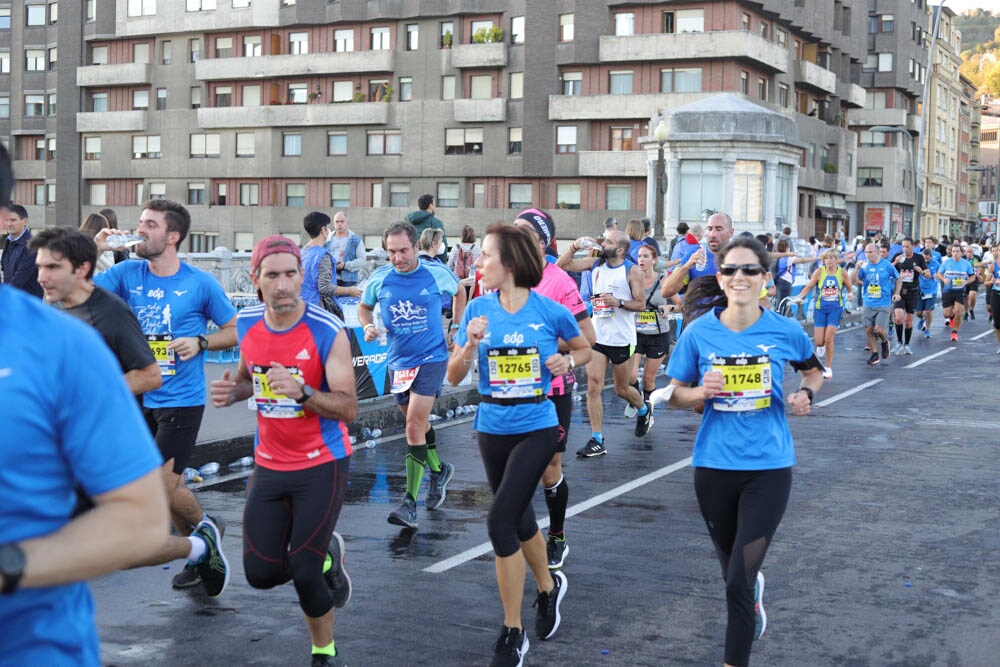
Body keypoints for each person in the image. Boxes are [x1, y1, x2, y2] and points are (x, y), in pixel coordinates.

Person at [0, 140, 169, 664]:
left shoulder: (70, 342)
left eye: (57, 267)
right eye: (42, 267)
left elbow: (138, 522)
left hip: (31, 646)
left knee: (173, 489)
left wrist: (11, 567)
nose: (47, 277)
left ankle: (200, 541)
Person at [662, 236, 824, 667]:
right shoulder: (699, 333)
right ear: (720, 277)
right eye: (731, 270)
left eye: (750, 270)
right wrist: (700, 390)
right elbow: (674, 397)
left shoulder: (785, 330)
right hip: (713, 467)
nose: (739, 277)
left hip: (768, 468)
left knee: (737, 580)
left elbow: (813, 372)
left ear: (765, 279)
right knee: (732, 575)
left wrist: (806, 393)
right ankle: (750, 598)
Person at [210, 236, 357, 667]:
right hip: (270, 463)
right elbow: (247, 377)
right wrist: (231, 392)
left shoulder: (327, 329)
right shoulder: (247, 324)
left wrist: (305, 392)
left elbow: (348, 407)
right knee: (259, 575)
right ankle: (330, 552)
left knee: (304, 569)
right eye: (272, 275)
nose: (283, 285)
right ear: (255, 280)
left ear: (301, 276)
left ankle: (324, 653)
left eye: (291, 274)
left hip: (321, 462)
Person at [446, 223, 589, 667]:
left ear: (508, 263)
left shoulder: (548, 311)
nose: (478, 264)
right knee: (520, 516)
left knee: (499, 520)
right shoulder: (477, 311)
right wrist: (469, 345)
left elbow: (585, 347)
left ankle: (513, 631)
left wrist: (567, 359)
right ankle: (548, 589)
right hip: (492, 424)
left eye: (485, 256)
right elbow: (453, 377)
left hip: (537, 423)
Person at [94, 199, 238, 591]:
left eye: (150, 224)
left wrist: (201, 340)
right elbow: (77, 290)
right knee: (166, 486)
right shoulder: (126, 273)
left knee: (158, 488)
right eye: (140, 222)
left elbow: (234, 328)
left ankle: (198, 540)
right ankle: (205, 534)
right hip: (137, 393)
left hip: (180, 399)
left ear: (172, 236)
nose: (140, 230)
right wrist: (96, 248)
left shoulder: (199, 282)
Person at [359, 221, 459, 529]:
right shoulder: (380, 279)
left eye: (404, 250)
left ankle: (409, 504)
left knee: (414, 426)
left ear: (417, 247)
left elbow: (459, 291)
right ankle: (439, 470)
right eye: (392, 251)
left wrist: (455, 325)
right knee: (416, 424)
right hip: (398, 361)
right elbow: (364, 307)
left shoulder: (436, 273)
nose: (398, 257)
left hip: (432, 356)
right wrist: (366, 325)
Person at [511, 209, 596, 570]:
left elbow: (588, 340)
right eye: (514, 230)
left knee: (549, 468)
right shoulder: (500, 276)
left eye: (527, 231)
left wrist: (553, 349)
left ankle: (557, 535)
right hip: (510, 390)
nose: (517, 235)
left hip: (553, 388)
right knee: (511, 468)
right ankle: (518, 533)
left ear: (543, 241)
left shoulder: (559, 280)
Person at [31, 227, 160, 397]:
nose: (41, 277)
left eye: (53, 267)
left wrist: (90, 394)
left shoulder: (111, 311)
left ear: (82, 269)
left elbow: (150, 376)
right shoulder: (54, 310)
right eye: (40, 268)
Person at [556, 229, 652, 457]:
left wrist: (617, 301)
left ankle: (643, 409)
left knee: (621, 389)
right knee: (593, 386)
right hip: (598, 335)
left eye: (608, 241)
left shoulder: (632, 271)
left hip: (622, 338)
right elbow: (560, 267)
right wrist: (574, 246)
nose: (602, 243)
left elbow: (640, 304)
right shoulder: (595, 264)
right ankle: (597, 439)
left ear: (619, 249)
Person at [792, 249, 854, 379]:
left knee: (829, 338)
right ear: (823, 260)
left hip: (836, 309)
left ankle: (828, 367)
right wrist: (800, 297)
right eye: (827, 258)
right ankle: (821, 346)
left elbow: (849, 287)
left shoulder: (842, 273)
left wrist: (850, 294)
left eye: (832, 258)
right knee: (819, 341)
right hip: (820, 308)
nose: (829, 261)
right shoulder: (819, 272)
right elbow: (809, 286)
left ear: (836, 259)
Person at [628, 243, 674, 400]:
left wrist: (669, 308)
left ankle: (647, 414)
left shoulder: (663, 280)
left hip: (658, 335)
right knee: (631, 377)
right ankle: (637, 402)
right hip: (637, 333)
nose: (641, 260)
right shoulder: (631, 279)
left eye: (646, 256)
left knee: (648, 380)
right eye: (639, 256)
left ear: (654, 260)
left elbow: (680, 304)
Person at [661, 212, 736, 299]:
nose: (712, 234)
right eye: (710, 229)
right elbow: (666, 292)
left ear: (730, 233)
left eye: (719, 229)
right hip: (698, 311)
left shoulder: (740, 258)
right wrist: (686, 267)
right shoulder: (694, 255)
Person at [302, 212, 358, 319]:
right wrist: (349, 290)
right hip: (317, 311)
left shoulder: (301, 253)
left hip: (301, 309)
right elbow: (324, 287)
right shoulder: (323, 256)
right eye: (327, 227)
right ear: (323, 230)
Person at [857, 243, 898, 365]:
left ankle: (885, 342)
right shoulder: (864, 266)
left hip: (883, 302)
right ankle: (874, 354)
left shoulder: (886, 265)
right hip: (868, 301)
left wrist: (897, 292)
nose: (868, 255)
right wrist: (857, 269)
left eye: (870, 252)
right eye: (866, 252)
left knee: (879, 330)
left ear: (877, 252)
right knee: (869, 329)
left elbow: (898, 277)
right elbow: (856, 280)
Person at [889, 238, 930, 355]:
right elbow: (887, 270)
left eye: (907, 246)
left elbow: (928, 275)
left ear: (912, 246)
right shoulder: (898, 256)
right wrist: (895, 262)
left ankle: (906, 345)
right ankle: (899, 342)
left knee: (908, 321)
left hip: (913, 292)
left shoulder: (918, 258)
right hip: (899, 292)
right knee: (898, 317)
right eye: (903, 246)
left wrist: (921, 271)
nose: (905, 249)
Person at [1, 204, 43, 297]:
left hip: (28, 302)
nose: (9, 224)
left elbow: (20, 278)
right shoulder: (8, 241)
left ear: (24, 221)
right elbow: (5, 272)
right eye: (6, 220)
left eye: (13, 220)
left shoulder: (31, 245)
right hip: (13, 299)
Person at [936, 243, 974, 342]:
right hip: (948, 290)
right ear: (951, 252)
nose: (955, 253)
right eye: (953, 251)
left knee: (958, 311)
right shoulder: (946, 262)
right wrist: (944, 279)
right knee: (946, 314)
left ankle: (954, 332)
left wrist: (966, 281)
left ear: (961, 253)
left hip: (959, 290)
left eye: (957, 251)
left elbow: (972, 276)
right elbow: (939, 273)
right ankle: (952, 317)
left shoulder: (966, 264)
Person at [324, 211, 367, 288]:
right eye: (337, 222)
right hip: (329, 278)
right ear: (334, 224)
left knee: (347, 300)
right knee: (330, 300)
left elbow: (362, 260)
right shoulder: (327, 240)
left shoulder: (356, 240)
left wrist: (345, 265)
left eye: (342, 221)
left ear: (347, 222)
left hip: (349, 280)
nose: (339, 224)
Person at [405, 194, 448, 262]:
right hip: (430, 262)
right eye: (434, 204)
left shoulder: (407, 222)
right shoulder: (435, 223)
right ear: (430, 206)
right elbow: (442, 247)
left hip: (411, 262)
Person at [916, 247, 940, 338]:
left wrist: (937, 276)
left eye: (927, 258)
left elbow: (940, 273)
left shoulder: (936, 264)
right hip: (920, 290)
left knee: (928, 311)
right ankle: (922, 319)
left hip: (931, 290)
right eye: (924, 258)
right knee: (918, 313)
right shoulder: (918, 264)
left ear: (931, 256)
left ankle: (927, 329)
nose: (926, 260)